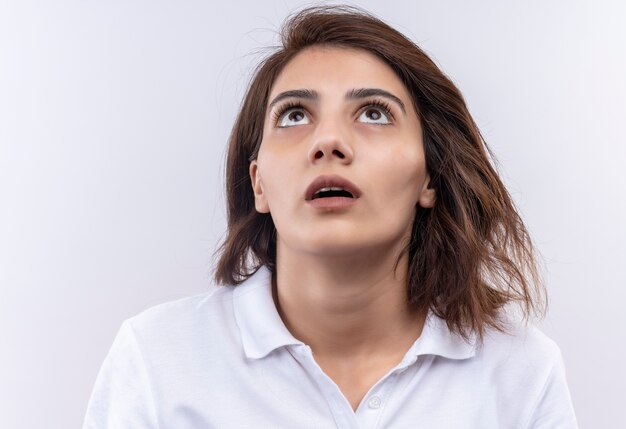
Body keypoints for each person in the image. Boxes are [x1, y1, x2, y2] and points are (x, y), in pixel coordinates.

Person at [83, 5, 578, 428]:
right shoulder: (155, 360)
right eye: (294, 115)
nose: (328, 142)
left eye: (374, 113)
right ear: (259, 183)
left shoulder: (521, 373)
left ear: (429, 178)